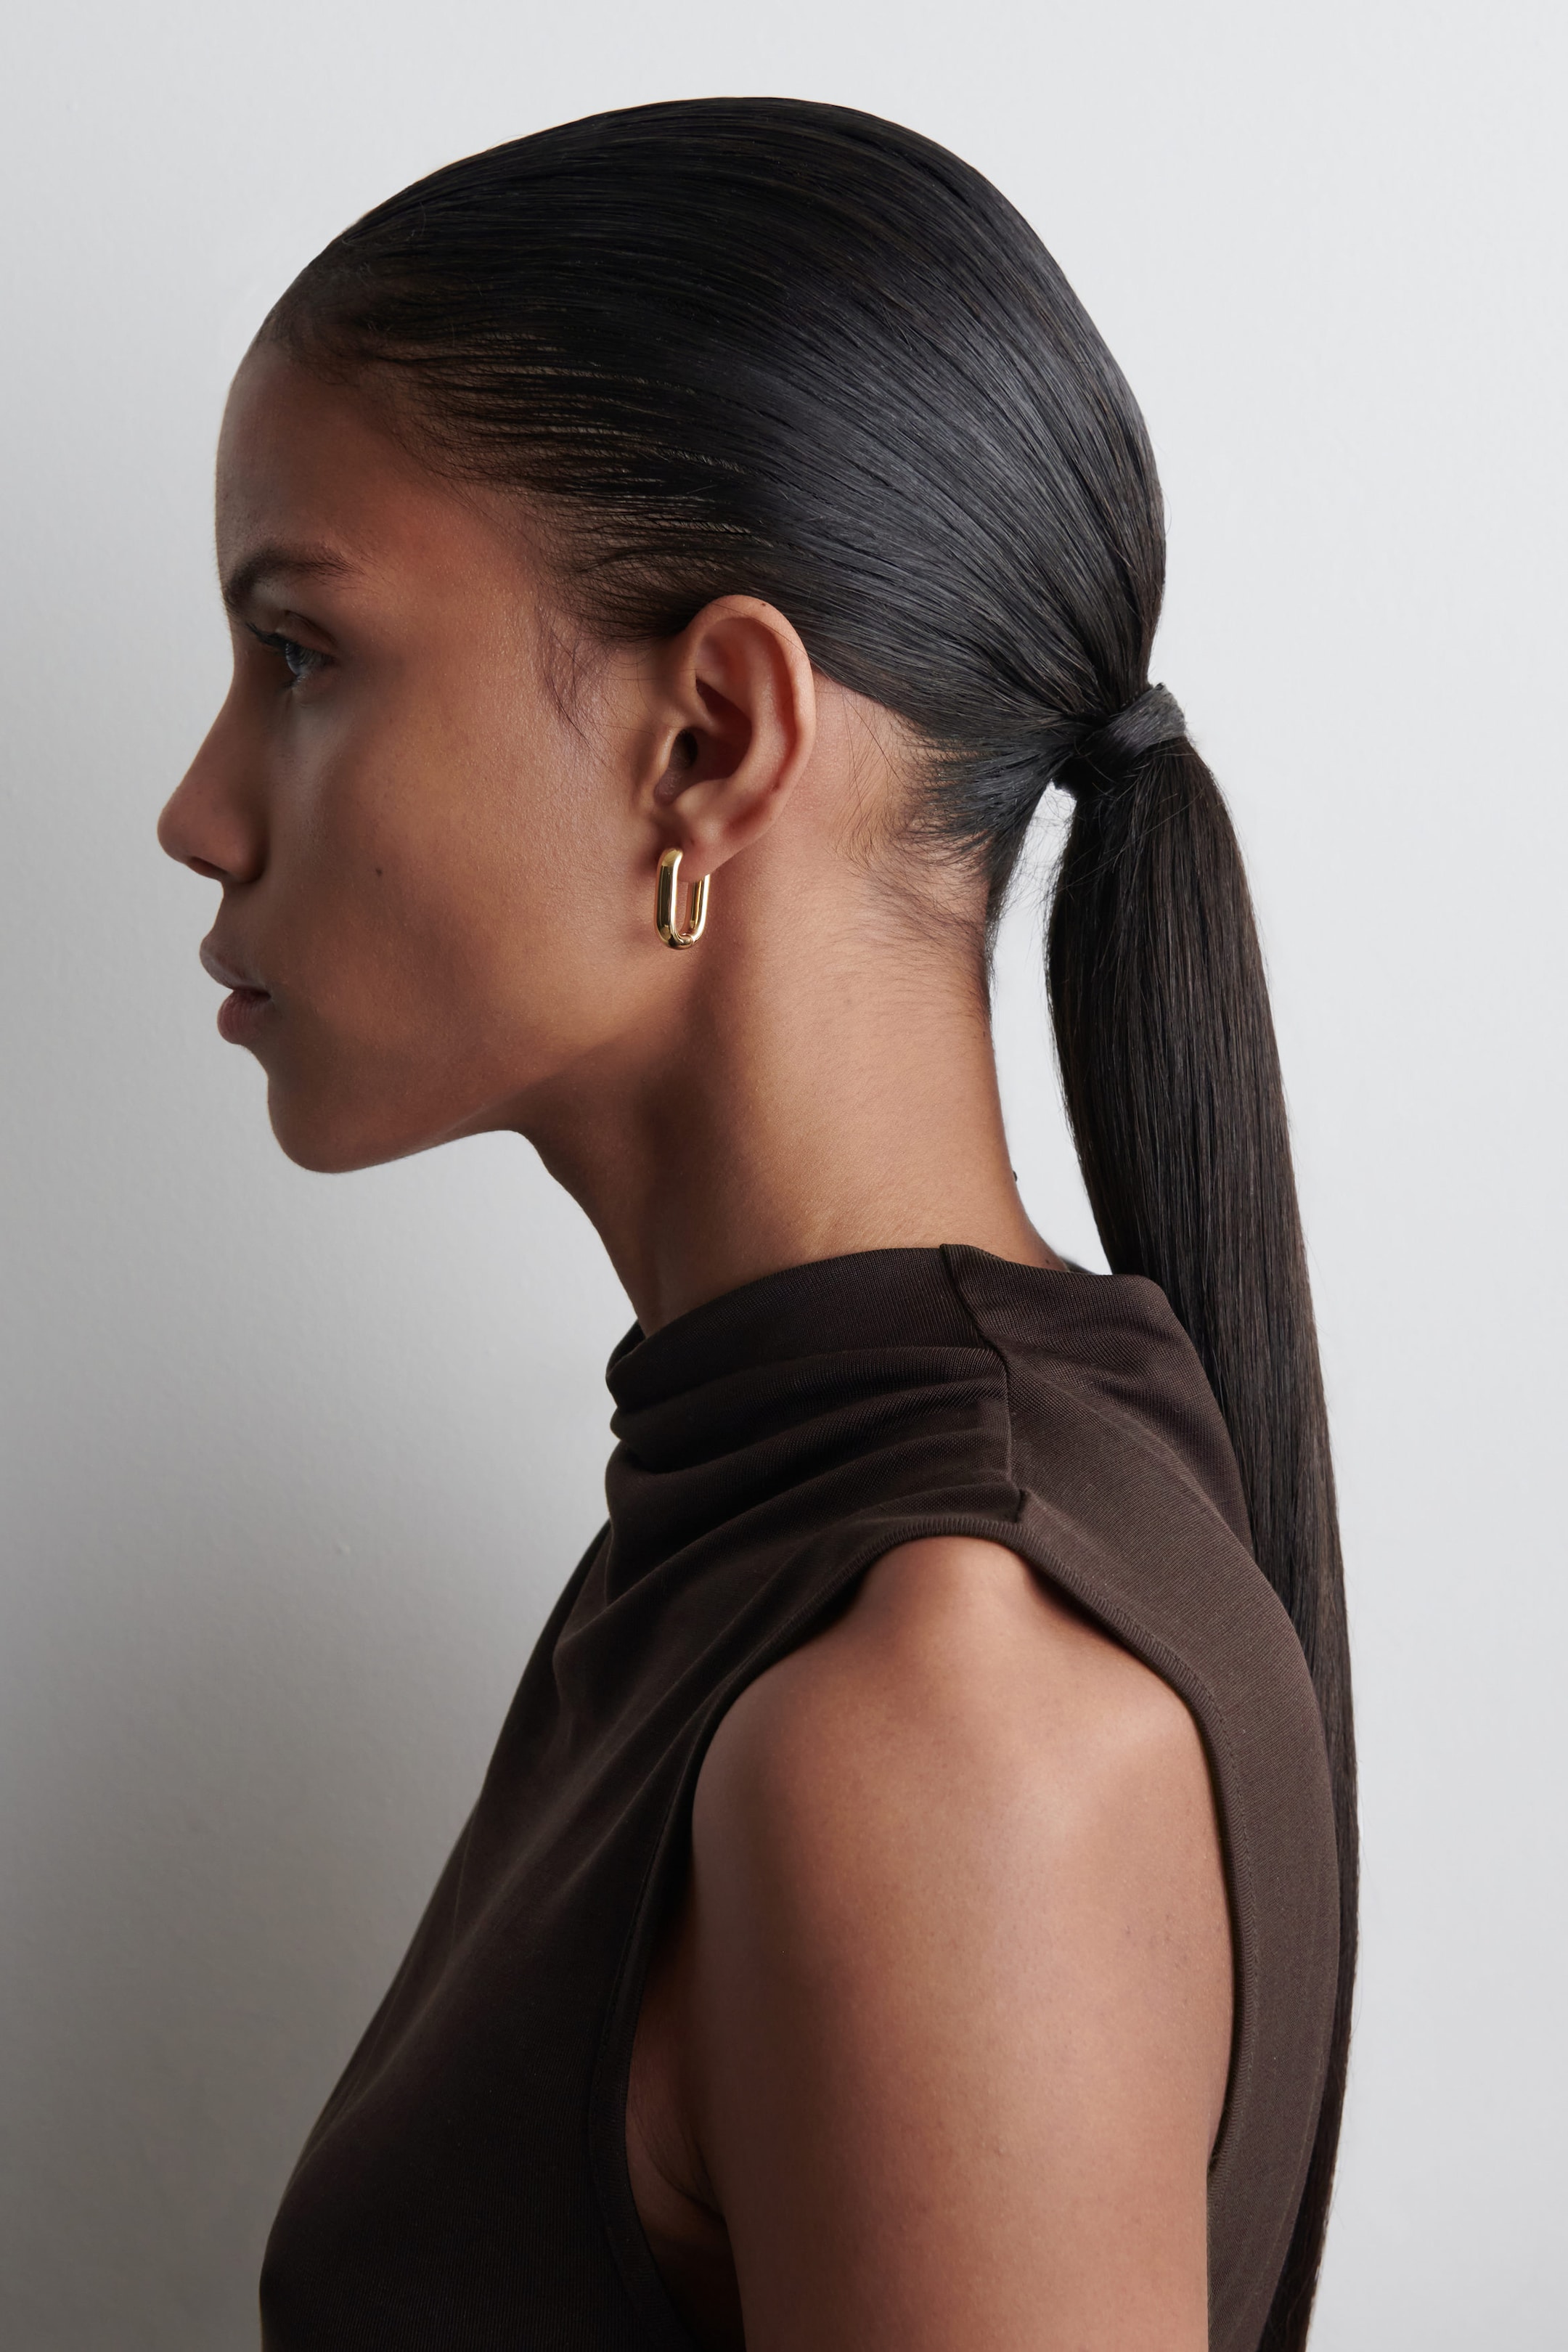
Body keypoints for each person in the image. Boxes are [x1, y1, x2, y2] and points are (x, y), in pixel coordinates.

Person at [158, 98, 1355, 2352]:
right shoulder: (781, 1529)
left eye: (299, 654)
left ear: (710, 738)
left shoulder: (943, 1719)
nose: (197, 810)